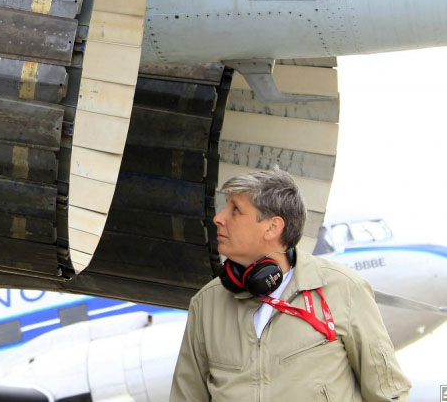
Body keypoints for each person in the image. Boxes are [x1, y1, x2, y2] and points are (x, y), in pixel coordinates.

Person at [170, 170, 410, 401]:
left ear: (273, 227)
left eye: (235, 210)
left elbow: (388, 394)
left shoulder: (345, 289)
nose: (218, 218)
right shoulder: (206, 303)